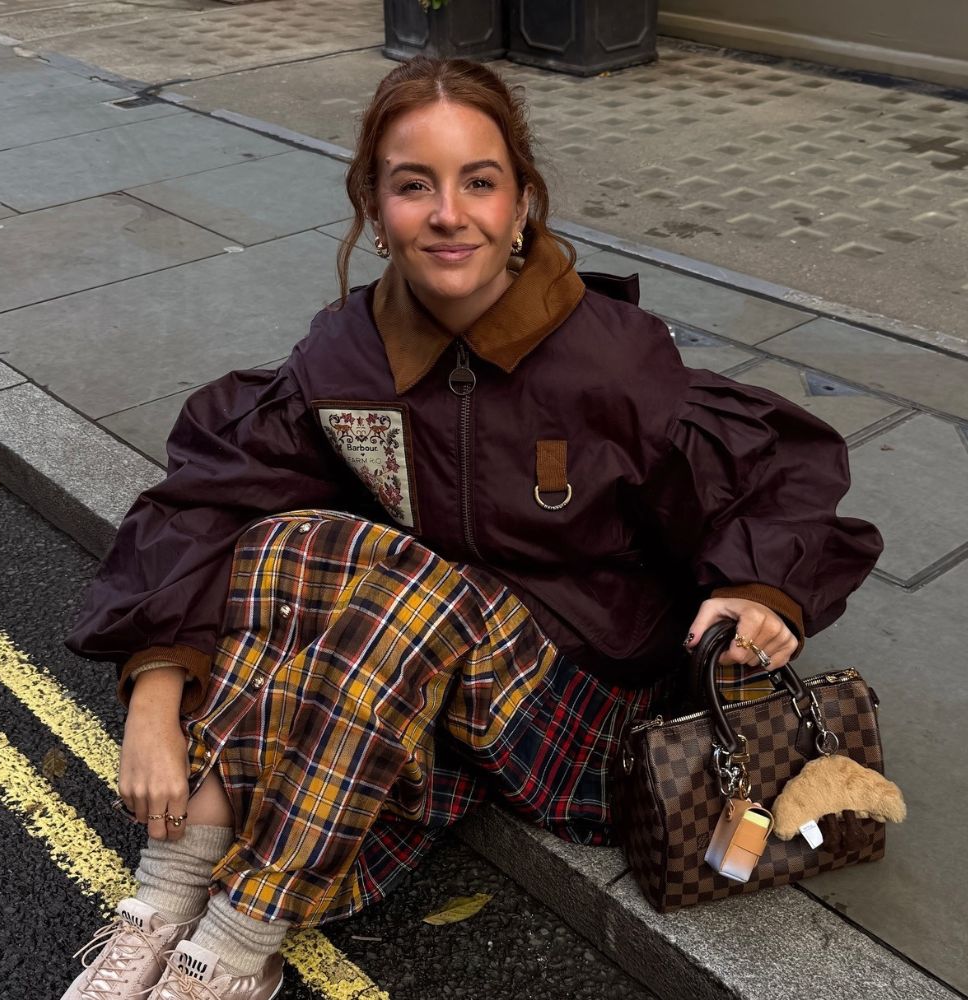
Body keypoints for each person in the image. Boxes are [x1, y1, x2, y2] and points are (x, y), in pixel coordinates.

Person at [60, 56, 882, 1000]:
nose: (450, 214)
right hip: (413, 673)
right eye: (415, 186)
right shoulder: (344, 352)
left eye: (479, 182)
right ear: (374, 207)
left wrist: (759, 586)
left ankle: (242, 941)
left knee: (413, 591)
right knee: (288, 543)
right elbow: (212, 493)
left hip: (582, 710)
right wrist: (156, 699)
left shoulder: (612, 363)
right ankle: (168, 904)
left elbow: (773, 471)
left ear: (523, 201)